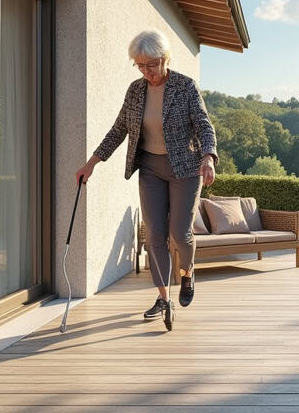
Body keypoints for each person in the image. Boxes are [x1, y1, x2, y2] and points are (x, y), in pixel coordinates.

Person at [76, 30, 217, 331]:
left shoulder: (185, 87)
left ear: (165, 59)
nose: (146, 72)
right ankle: (163, 298)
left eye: (151, 64)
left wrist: (208, 157)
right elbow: (118, 130)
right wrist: (92, 163)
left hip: (186, 168)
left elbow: (204, 127)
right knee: (153, 233)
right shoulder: (135, 90)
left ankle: (188, 271)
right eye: (140, 66)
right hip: (150, 168)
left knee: (180, 233)